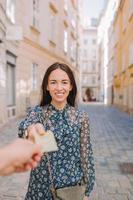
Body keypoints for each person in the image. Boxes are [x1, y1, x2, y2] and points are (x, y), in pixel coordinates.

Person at [18, 62, 95, 200]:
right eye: (53, 82)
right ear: (47, 86)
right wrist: (30, 129)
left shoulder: (81, 117)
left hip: (71, 188)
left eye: (64, 82)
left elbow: (86, 154)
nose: (59, 88)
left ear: (71, 86)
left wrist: (87, 191)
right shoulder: (38, 113)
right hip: (41, 188)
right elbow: (25, 126)